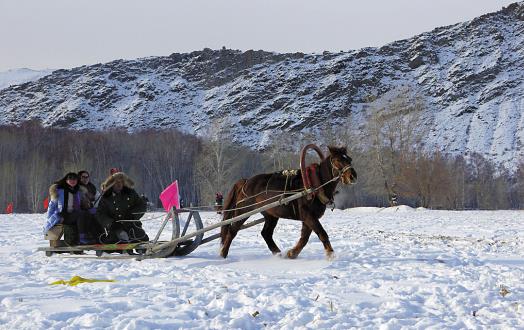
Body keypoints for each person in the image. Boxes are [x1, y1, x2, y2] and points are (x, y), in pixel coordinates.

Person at [44, 172, 97, 245]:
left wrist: (90, 207)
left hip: (74, 214)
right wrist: (49, 219)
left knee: (90, 213)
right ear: (66, 180)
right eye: (70, 179)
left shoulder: (78, 191)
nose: (73, 181)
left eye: (75, 179)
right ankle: (81, 237)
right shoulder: (59, 191)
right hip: (63, 215)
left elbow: (84, 203)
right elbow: (52, 205)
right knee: (80, 214)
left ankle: (94, 237)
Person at [95, 172, 148, 243]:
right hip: (115, 227)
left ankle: (141, 251)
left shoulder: (130, 193)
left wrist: (132, 215)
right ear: (112, 183)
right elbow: (100, 214)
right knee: (114, 241)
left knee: (142, 238)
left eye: (121, 182)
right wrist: (111, 223)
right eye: (117, 182)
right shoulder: (106, 197)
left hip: (131, 225)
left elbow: (141, 205)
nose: (119, 184)